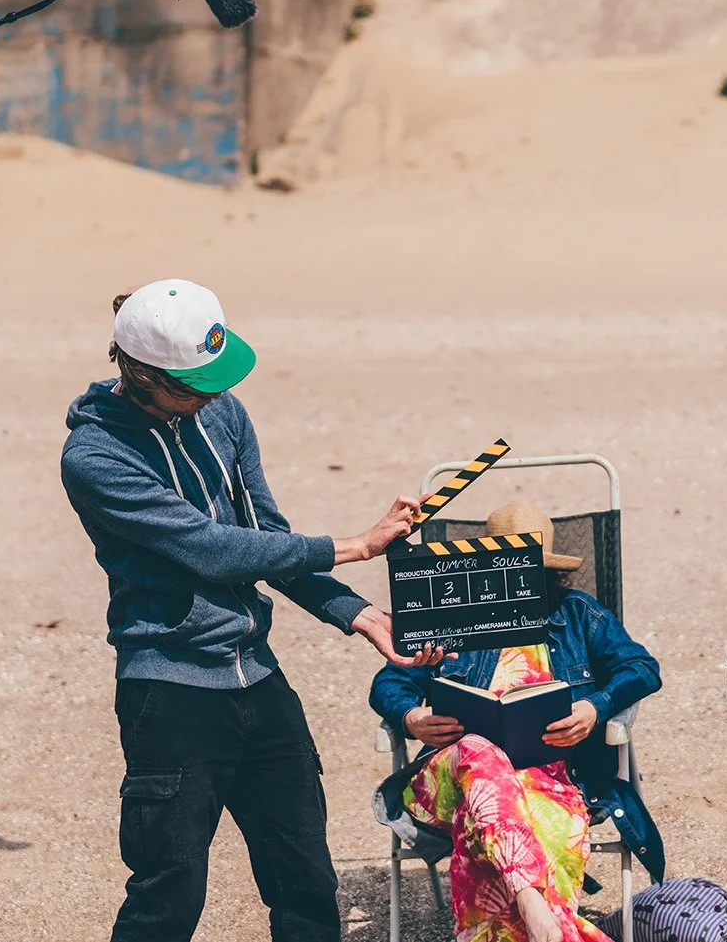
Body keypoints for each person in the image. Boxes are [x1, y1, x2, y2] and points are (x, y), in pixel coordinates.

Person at [60, 278, 442, 942]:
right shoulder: (96, 457)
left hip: (258, 682)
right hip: (170, 690)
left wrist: (355, 612)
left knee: (307, 885)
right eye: (194, 383)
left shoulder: (224, 413)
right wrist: (354, 544)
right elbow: (213, 550)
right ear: (143, 373)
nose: (211, 394)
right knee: (167, 895)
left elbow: (266, 536)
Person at [370, 503, 663, 942]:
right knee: (478, 750)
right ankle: (535, 907)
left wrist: (595, 708)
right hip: (455, 778)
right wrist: (412, 717)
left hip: (552, 779)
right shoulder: (450, 618)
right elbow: (389, 682)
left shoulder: (578, 615)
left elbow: (641, 668)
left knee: (533, 823)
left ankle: (532, 919)